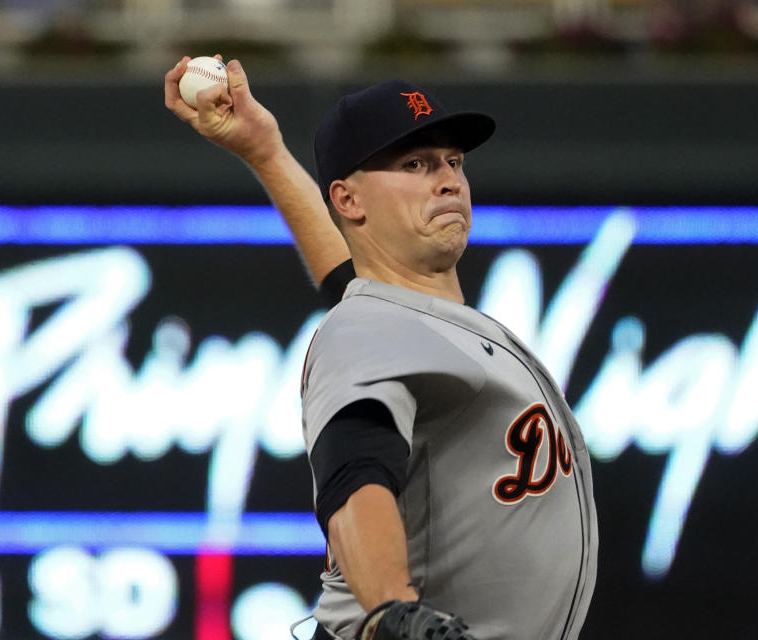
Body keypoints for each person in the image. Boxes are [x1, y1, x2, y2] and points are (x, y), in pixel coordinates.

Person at [164, 56, 598, 640]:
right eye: (415, 164)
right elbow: (353, 477)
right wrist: (392, 612)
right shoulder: (366, 330)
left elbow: (354, 277)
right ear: (347, 200)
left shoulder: (400, 317)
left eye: (453, 161)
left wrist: (265, 152)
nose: (448, 179)